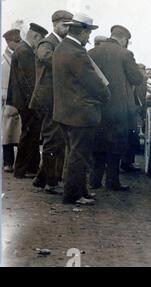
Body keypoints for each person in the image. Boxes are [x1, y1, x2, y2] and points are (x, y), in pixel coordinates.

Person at [53, 13, 111, 205]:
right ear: (83, 32)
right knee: (79, 157)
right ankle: (73, 195)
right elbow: (93, 82)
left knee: (75, 154)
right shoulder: (76, 52)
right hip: (81, 115)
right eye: (88, 34)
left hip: (65, 112)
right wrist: (105, 95)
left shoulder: (62, 48)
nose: (88, 38)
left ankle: (82, 191)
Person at [88, 25, 142, 190]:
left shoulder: (91, 52)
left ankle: (94, 180)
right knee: (116, 144)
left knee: (97, 143)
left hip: (96, 107)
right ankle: (112, 181)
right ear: (124, 39)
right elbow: (136, 78)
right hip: (118, 109)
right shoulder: (125, 53)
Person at [29, 10, 73, 194]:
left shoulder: (61, 43)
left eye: (69, 25)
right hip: (48, 99)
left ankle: (42, 178)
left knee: (57, 139)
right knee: (52, 139)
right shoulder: (47, 42)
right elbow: (45, 57)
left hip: (57, 98)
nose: (67, 28)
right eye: (64, 25)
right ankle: (51, 182)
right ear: (55, 24)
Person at [7, 23, 48, 179]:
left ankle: (30, 168)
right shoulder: (25, 51)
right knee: (29, 135)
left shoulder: (22, 49)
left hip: (24, 100)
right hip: (28, 102)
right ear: (36, 37)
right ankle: (21, 170)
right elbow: (31, 80)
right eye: (41, 39)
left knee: (31, 134)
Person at [2, 29, 22, 173]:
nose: (18, 43)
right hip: (6, 100)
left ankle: (19, 164)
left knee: (19, 133)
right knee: (7, 133)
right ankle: (8, 162)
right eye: (16, 42)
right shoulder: (3, 60)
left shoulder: (19, 56)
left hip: (18, 98)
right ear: (9, 42)